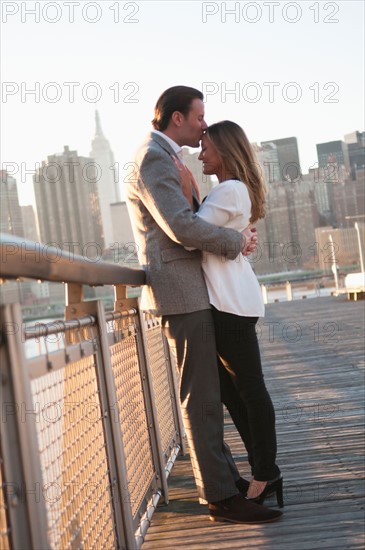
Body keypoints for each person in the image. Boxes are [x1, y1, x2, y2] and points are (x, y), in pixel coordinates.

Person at [126, 85, 282, 523]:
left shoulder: (168, 157)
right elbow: (182, 226)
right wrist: (237, 240)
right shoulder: (153, 157)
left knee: (215, 394)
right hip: (181, 290)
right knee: (204, 398)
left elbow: (194, 220)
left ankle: (229, 482)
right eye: (199, 118)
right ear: (177, 118)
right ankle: (220, 495)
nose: (202, 126)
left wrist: (237, 238)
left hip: (198, 291)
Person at [194, 120, 283, 507]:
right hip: (231, 300)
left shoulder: (229, 190)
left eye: (207, 148)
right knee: (233, 392)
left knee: (249, 389)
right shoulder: (229, 190)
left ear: (226, 153)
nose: (200, 154)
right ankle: (262, 469)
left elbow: (189, 232)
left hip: (230, 303)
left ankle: (266, 473)